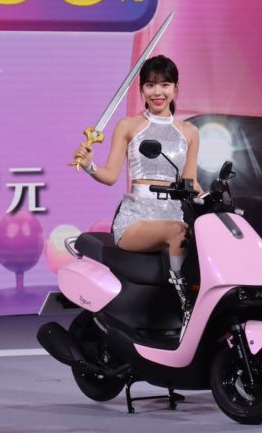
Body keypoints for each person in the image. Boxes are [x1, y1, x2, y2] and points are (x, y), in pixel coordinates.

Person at [73, 55, 201, 331]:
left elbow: (191, 183)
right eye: (150, 85)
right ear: (141, 89)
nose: (158, 92)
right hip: (136, 219)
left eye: (165, 84)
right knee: (179, 232)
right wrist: (89, 165)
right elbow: (110, 176)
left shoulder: (189, 132)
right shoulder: (128, 126)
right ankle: (187, 306)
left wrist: (218, 199)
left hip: (174, 215)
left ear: (176, 88)